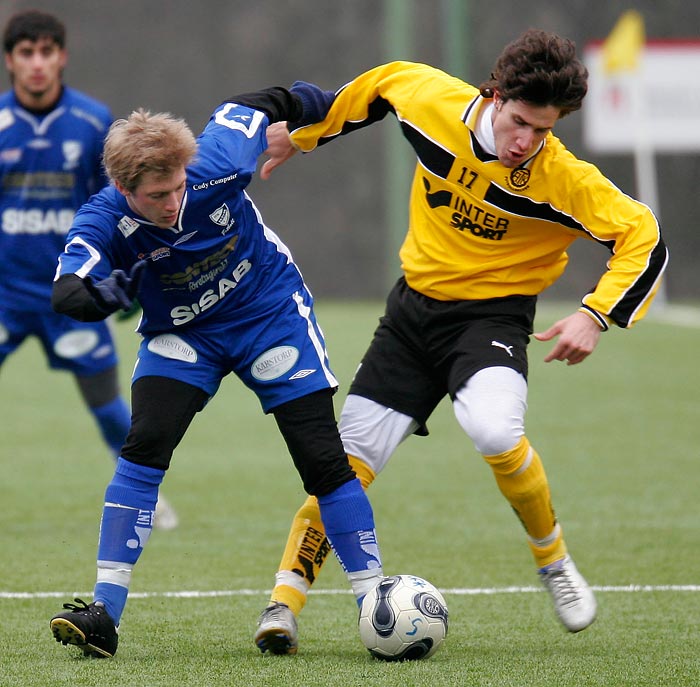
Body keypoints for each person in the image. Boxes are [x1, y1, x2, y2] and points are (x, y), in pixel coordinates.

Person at [254, 28, 669, 653]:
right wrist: (304, 133)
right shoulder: (432, 101)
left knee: (496, 431)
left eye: (545, 130)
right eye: (522, 122)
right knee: (342, 468)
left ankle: (553, 561)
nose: (527, 142)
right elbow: (379, 86)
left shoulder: (561, 179)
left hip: (492, 322)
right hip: (411, 318)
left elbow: (645, 236)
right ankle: (283, 605)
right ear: (494, 96)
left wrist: (596, 315)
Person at [47, 79, 387, 659]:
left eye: (178, 187)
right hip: (184, 332)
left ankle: (376, 602)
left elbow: (272, 99)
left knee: (321, 458)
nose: (174, 202)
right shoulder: (103, 217)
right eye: (158, 196)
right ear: (124, 189)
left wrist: (327, 115)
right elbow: (67, 291)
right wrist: (104, 295)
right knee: (145, 441)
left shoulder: (218, 157)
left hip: (268, 313)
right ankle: (105, 612)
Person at [0, 10, 177, 530]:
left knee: (106, 406)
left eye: (46, 51)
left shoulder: (93, 121)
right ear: (10, 60)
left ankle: (146, 495)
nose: (37, 63)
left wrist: (127, 271)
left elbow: (117, 205)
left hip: (70, 294)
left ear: (62, 56)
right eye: (26, 53)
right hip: (5, 295)